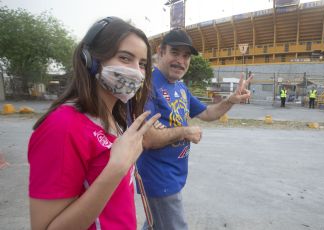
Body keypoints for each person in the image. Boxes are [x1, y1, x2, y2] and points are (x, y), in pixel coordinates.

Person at [28, 17, 160, 230]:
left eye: (143, 64)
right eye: (125, 58)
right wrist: (116, 168)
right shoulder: (62, 126)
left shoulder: (114, 118)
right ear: (90, 59)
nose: (137, 71)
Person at [137, 29, 252, 230]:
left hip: (175, 173)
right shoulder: (147, 85)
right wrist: (185, 131)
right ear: (161, 51)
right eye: (175, 52)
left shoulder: (180, 87)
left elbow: (207, 113)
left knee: (156, 224)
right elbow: (147, 138)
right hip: (158, 177)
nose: (181, 60)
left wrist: (231, 100)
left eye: (186, 56)